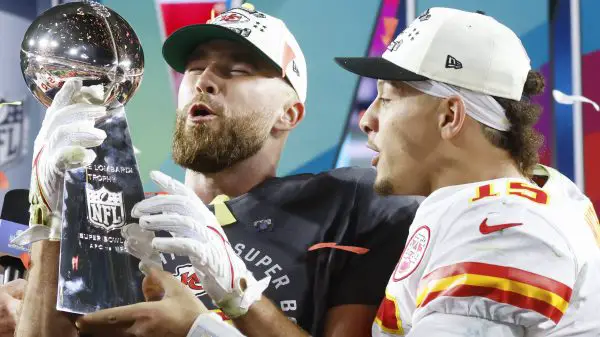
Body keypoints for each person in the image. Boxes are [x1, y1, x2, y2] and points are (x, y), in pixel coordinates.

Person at [14, 5, 421, 337]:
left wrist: (226, 309)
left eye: (236, 70)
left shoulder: (348, 202)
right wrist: (51, 216)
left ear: (289, 113)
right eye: (195, 68)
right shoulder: (118, 215)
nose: (204, 80)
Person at [334, 7, 600, 336]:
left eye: (387, 99)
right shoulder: (524, 202)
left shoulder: (505, 226)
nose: (367, 121)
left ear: (449, 115)